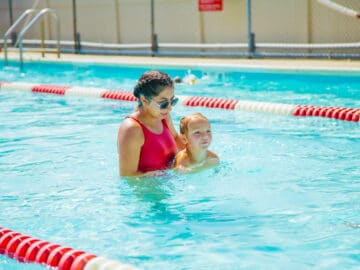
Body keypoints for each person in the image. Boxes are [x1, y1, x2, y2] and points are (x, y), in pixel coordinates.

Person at [117, 70, 184, 177]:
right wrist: (165, 175)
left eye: (172, 101)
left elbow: (176, 138)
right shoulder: (132, 129)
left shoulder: (163, 116)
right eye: (163, 103)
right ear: (144, 100)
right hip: (146, 192)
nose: (170, 107)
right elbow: (128, 176)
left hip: (167, 187)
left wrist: (198, 155)